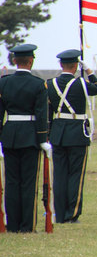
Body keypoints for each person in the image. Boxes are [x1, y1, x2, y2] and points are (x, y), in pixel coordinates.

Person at [46, 49, 97, 224]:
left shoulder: (50, 83)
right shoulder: (82, 83)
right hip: (77, 132)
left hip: (58, 132)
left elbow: (48, 112)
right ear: (76, 65)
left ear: (61, 65)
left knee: (60, 174)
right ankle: (73, 213)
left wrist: (49, 134)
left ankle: (60, 214)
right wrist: (90, 73)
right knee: (75, 174)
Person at [0, 44, 50, 232]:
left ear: (14, 61)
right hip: (30, 135)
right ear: (30, 61)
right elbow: (41, 113)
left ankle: (12, 225)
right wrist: (43, 139)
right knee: (28, 183)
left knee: (12, 182)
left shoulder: (4, 82)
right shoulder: (38, 84)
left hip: (10, 134)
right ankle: (26, 225)